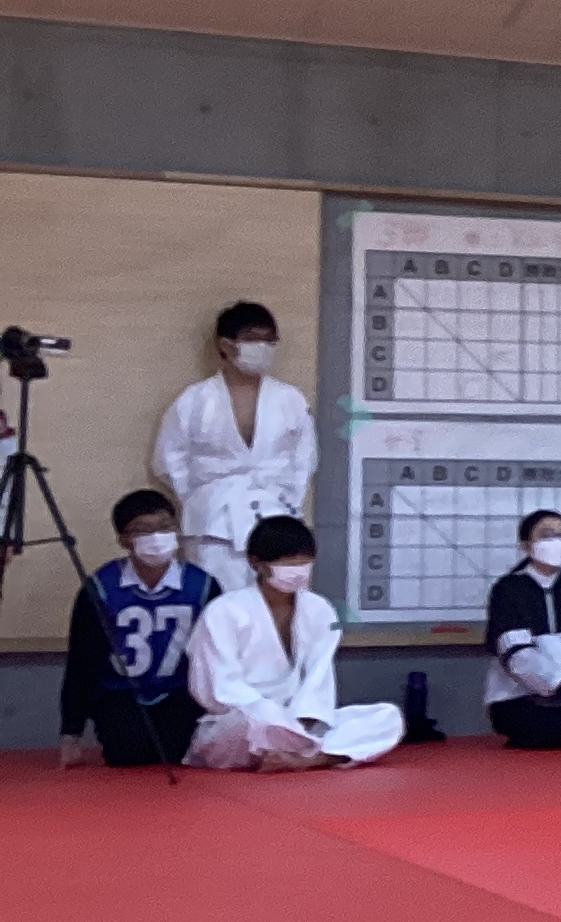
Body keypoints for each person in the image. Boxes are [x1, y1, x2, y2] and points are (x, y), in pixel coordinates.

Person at [181, 516, 403, 767]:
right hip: (244, 723)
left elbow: (319, 674)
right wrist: (272, 715)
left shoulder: (319, 610)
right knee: (255, 724)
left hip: (300, 719)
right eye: (287, 562)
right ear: (256, 562)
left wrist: (305, 717)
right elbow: (217, 686)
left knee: (387, 717)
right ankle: (309, 752)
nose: (297, 570)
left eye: (304, 562)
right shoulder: (223, 612)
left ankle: (305, 759)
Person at [151, 301, 316, 592]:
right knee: (216, 601)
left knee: (279, 602)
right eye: (252, 339)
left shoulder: (290, 399)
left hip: (276, 513)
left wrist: (288, 497)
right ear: (225, 345)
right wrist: (200, 497)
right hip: (213, 522)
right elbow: (169, 459)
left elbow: (304, 458)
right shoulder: (195, 400)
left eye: (269, 340)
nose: (262, 347)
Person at [59, 488, 215, 768]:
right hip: (121, 693)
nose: (156, 537)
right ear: (123, 540)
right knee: (128, 754)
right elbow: (83, 661)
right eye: (142, 530)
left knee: (180, 753)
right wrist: (71, 732)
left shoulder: (202, 585)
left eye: (165, 527)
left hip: (181, 692)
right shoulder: (101, 588)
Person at [483, 509, 561, 750]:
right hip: (518, 696)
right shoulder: (508, 589)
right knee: (553, 730)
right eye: (547, 534)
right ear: (526, 545)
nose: (557, 541)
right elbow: (517, 653)